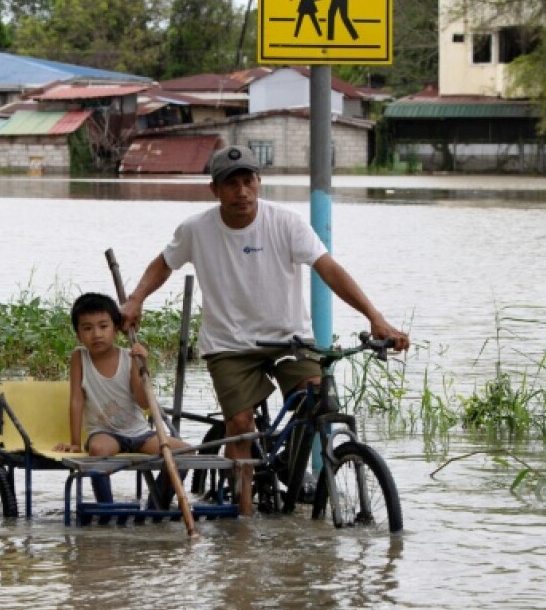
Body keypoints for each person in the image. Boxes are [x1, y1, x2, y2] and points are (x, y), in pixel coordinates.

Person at [120, 145, 409, 498]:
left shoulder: (285, 223)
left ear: (259, 182)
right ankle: (242, 523)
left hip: (290, 341)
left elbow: (329, 269)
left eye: (248, 181)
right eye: (231, 184)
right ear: (215, 189)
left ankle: (290, 465)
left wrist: (375, 317)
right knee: (241, 425)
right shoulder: (197, 229)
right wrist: (136, 298)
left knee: (315, 401)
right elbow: (164, 262)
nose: (241, 191)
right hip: (229, 346)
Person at [55, 292, 186, 506]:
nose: (96, 334)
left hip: (140, 434)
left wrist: (143, 366)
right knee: (97, 450)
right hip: (105, 434)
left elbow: (144, 402)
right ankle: (106, 508)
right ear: (78, 335)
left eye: (103, 326)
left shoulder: (129, 357)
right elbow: (77, 400)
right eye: (87, 328)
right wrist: (75, 443)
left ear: (116, 329)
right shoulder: (79, 358)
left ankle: (156, 506)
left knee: (186, 452)